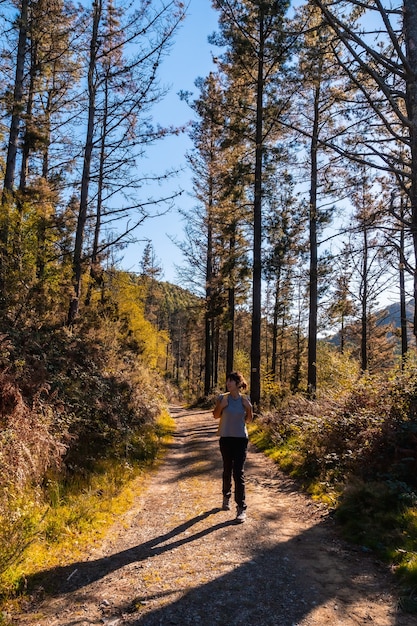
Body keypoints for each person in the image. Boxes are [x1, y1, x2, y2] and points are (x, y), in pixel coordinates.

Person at [212, 371, 253, 523]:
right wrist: (221, 407)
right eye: (227, 381)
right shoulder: (222, 398)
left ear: (238, 384)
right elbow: (215, 416)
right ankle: (226, 496)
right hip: (226, 438)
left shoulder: (245, 399)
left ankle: (241, 508)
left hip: (241, 440)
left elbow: (249, 420)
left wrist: (249, 408)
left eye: (231, 381)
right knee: (227, 469)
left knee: (238, 472)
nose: (228, 383)